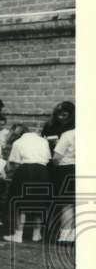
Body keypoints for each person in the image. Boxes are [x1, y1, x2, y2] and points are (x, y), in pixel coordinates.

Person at [2, 124, 51, 244]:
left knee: (20, 204)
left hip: (25, 171)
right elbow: (48, 158)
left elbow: (15, 162)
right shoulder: (43, 141)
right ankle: (36, 234)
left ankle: (18, 235)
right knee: (39, 203)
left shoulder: (18, 142)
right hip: (42, 171)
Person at [50, 104, 76, 244]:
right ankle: (74, 234)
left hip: (66, 169)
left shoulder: (68, 135)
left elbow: (56, 158)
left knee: (66, 204)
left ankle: (65, 235)